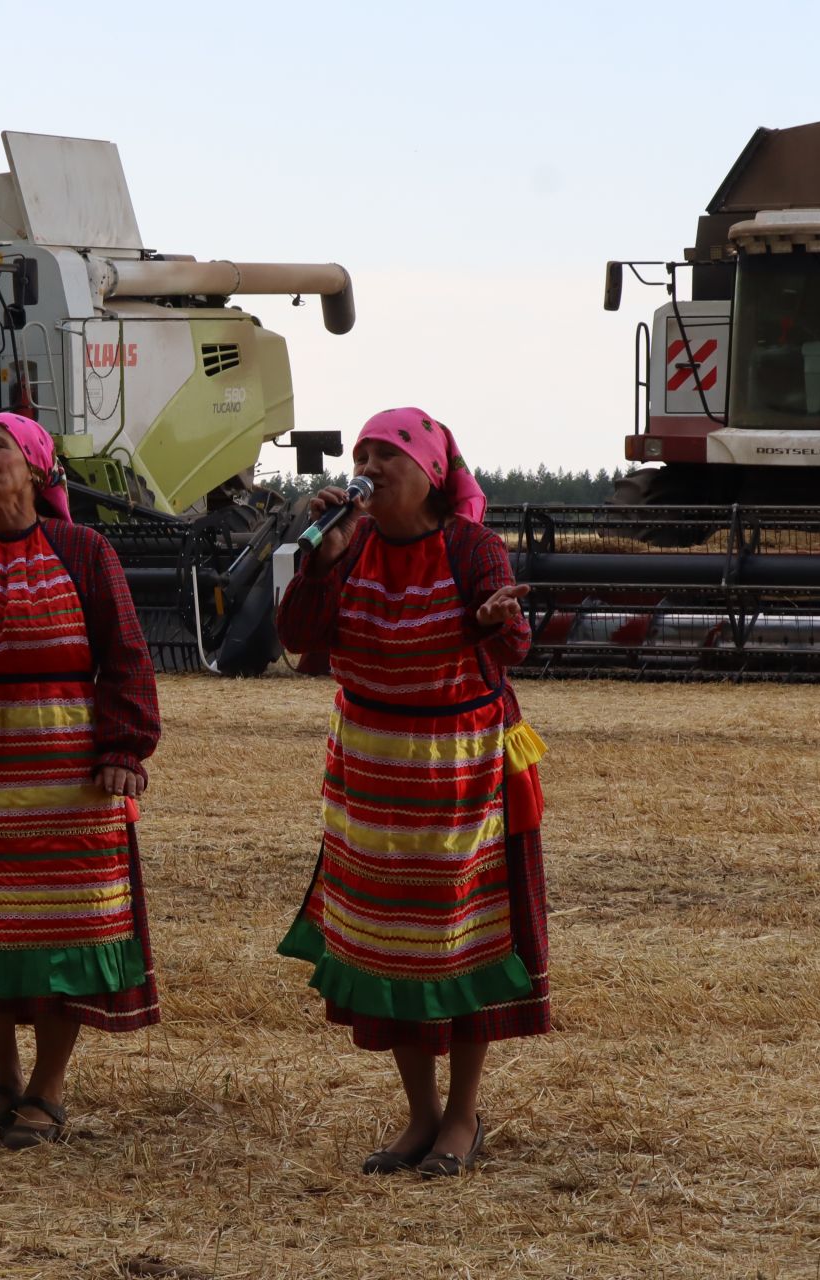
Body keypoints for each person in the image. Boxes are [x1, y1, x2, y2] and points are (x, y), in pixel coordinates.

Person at [275, 407, 550, 1177]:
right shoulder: (345, 545)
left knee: (462, 940)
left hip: (458, 770)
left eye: (385, 453)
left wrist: (498, 620)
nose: (368, 464)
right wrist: (320, 561)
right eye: (361, 451)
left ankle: (462, 1116)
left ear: (429, 472)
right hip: (369, 771)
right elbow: (297, 636)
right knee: (386, 941)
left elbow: (515, 643)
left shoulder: (472, 547)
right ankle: (419, 1117)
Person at [0, 411, 161, 1149]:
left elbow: (126, 652)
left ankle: (47, 1090)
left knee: (61, 926)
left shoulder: (84, 549)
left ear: (38, 468)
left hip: (65, 767)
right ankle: (1, 1083)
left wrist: (125, 745)